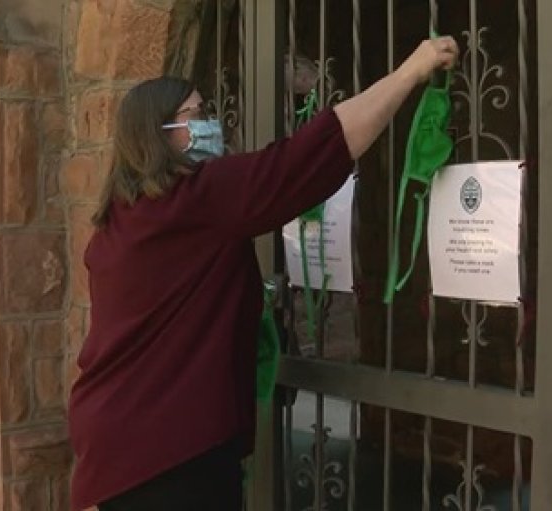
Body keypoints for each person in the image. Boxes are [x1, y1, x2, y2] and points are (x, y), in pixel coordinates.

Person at [67, 36, 459, 511]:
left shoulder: (118, 222)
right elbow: (308, 158)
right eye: (195, 115)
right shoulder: (196, 202)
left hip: (115, 444)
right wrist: (409, 73)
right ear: (159, 135)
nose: (209, 122)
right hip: (170, 452)